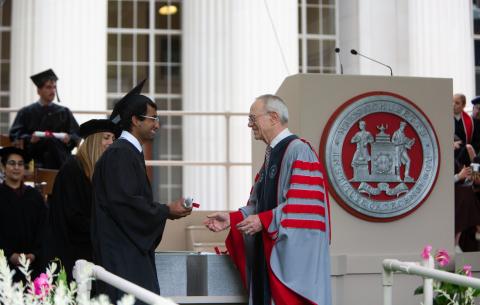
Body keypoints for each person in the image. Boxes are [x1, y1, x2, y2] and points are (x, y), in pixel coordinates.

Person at [204, 94, 332, 305]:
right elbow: (259, 205)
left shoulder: (299, 151)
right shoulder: (271, 154)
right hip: (266, 252)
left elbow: (303, 211)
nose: (249, 125)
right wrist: (233, 218)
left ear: (273, 117)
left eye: (253, 118)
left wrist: (263, 221)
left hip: (286, 261)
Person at [91, 80, 192, 304]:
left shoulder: (128, 153)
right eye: (153, 118)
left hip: (126, 252)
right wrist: (165, 210)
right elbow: (126, 205)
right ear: (135, 120)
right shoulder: (120, 154)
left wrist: (165, 211)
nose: (157, 124)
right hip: (121, 256)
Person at [47, 119, 115, 281]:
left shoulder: (98, 172)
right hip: (71, 252)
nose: (111, 143)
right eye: (106, 137)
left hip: (90, 248)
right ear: (93, 141)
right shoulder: (73, 170)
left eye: (113, 139)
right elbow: (73, 216)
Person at [9, 69, 80, 169]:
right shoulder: (26, 112)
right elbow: (15, 135)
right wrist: (30, 139)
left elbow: (76, 134)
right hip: (34, 158)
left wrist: (69, 139)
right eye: (48, 87)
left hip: (60, 158)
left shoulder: (64, 112)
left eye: (54, 87)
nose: (53, 91)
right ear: (39, 90)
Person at [0, 147, 47, 282]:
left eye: (20, 164)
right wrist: (9, 254)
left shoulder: (34, 196)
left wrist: (34, 254)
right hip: (4, 264)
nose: (16, 167)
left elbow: (43, 227)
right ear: (3, 167)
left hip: (32, 265)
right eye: (12, 163)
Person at [454, 93, 480, 166]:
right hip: (464, 157)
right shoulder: (468, 122)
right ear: (473, 108)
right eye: (476, 108)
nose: (477, 111)